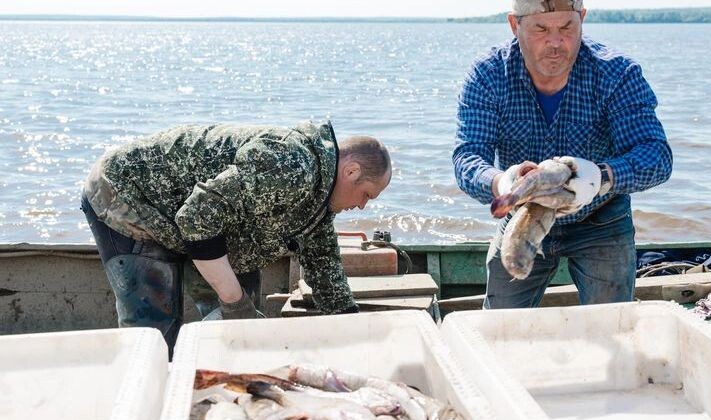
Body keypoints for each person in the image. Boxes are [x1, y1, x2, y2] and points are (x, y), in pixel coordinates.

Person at [82, 120, 391, 348]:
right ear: (351, 171)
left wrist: (356, 338)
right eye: (366, 195)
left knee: (240, 334)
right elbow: (196, 217)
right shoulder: (292, 165)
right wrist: (234, 300)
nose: (362, 206)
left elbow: (328, 278)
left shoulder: (319, 208)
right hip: (130, 197)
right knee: (154, 334)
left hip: (192, 221)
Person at [452, 0, 672, 309]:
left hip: (601, 219)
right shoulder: (488, 75)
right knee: (499, 321)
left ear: (582, 18)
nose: (556, 42)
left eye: (567, 27)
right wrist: (503, 183)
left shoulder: (618, 73)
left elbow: (656, 155)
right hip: (523, 216)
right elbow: (468, 156)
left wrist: (600, 177)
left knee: (612, 322)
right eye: (541, 29)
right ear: (515, 25)